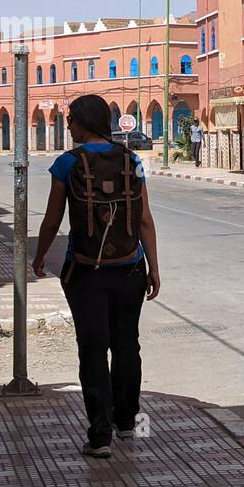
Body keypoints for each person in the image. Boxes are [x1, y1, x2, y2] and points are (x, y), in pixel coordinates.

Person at [32, 94, 160, 459]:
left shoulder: (66, 164)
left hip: (86, 271)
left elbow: (53, 220)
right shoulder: (131, 160)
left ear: (85, 121)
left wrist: (39, 257)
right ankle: (125, 422)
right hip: (130, 268)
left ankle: (100, 435)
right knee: (126, 344)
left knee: (92, 348)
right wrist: (153, 266)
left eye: (71, 118)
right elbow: (145, 219)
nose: (68, 124)